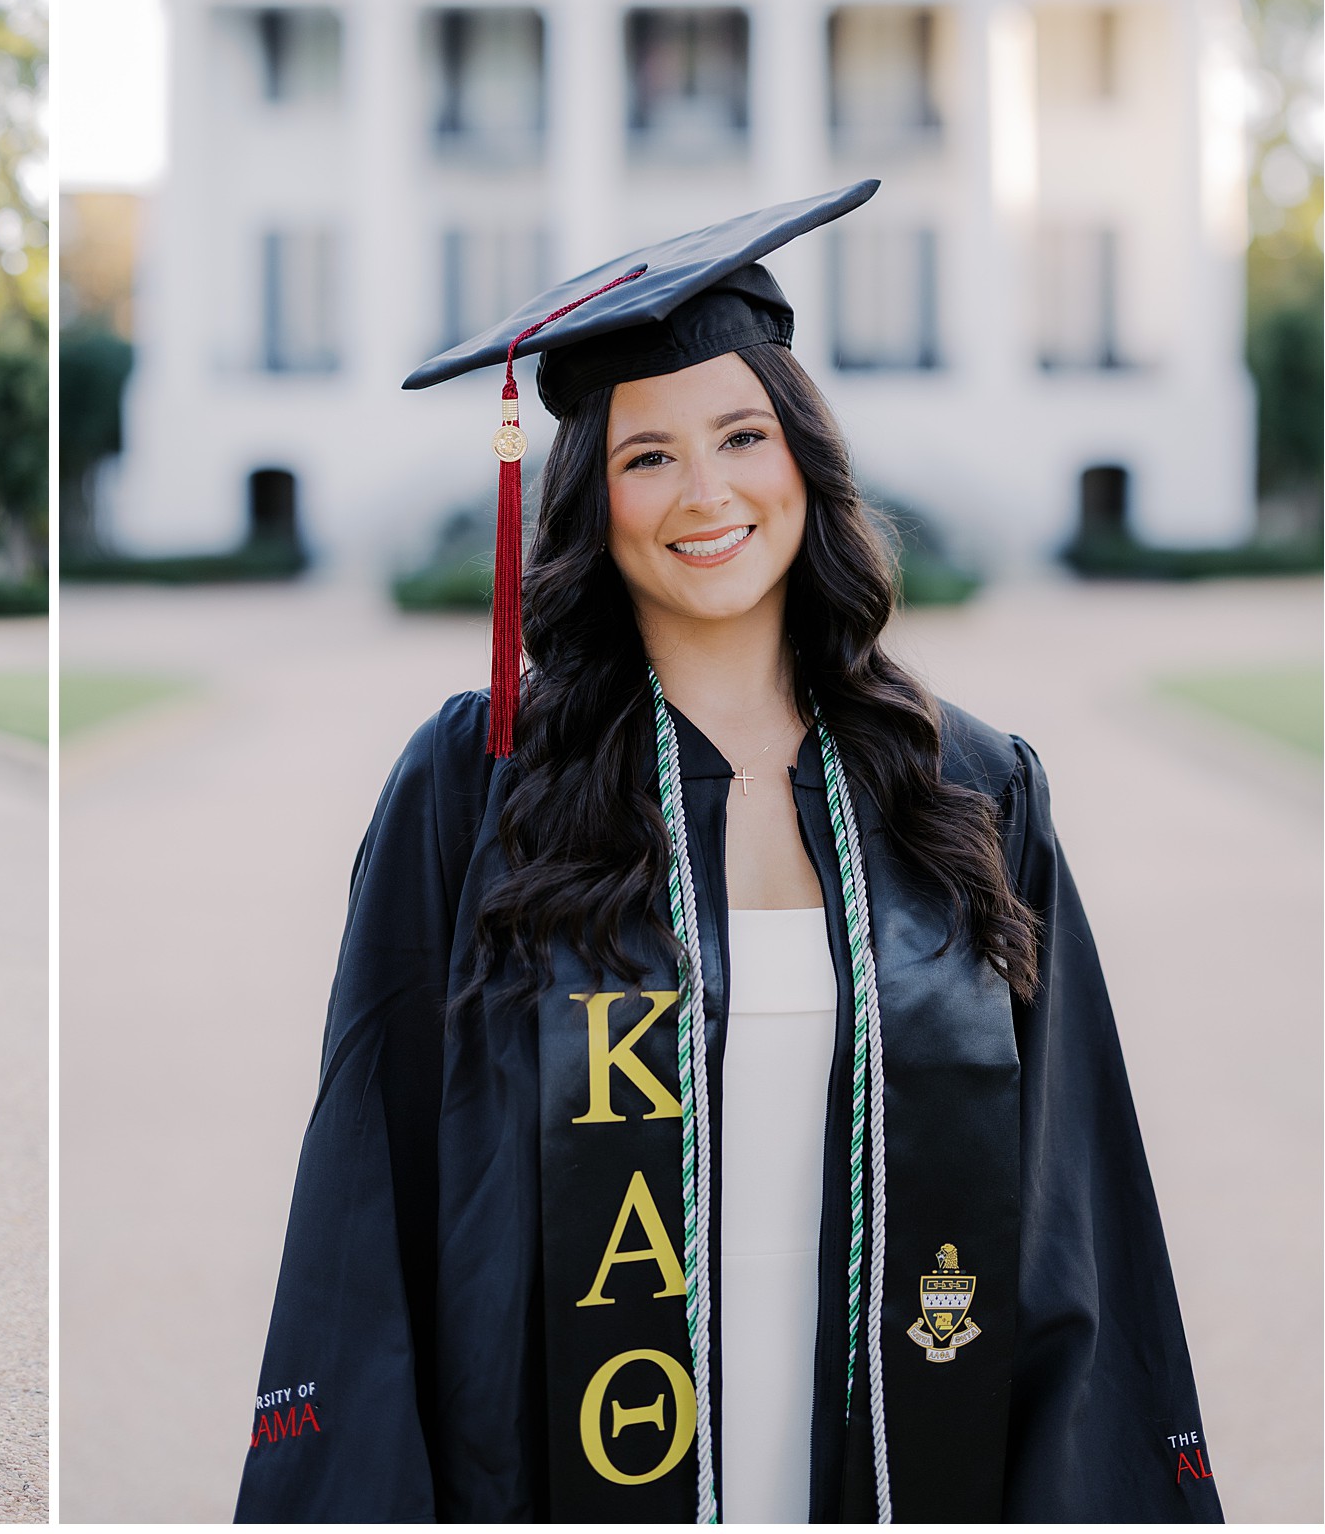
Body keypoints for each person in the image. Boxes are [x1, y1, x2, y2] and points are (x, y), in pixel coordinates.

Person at [234, 185, 1222, 1524]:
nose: (705, 494)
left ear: (802, 456)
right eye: (649, 457)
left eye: (741, 434)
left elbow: (1070, 1214)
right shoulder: (480, 794)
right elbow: (371, 1199)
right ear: (594, 496)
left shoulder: (969, 790)